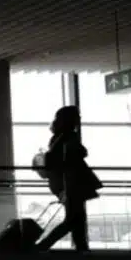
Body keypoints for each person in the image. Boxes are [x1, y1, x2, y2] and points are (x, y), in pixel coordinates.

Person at [37, 105, 101, 251]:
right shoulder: (69, 137)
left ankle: (81, 247)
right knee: (73, 219)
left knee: (77, 218)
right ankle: (43, 246)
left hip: (62, 183)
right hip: (72, 184)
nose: (79, 119)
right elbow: (77, 155)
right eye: (77, 116)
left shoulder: (56, 138)